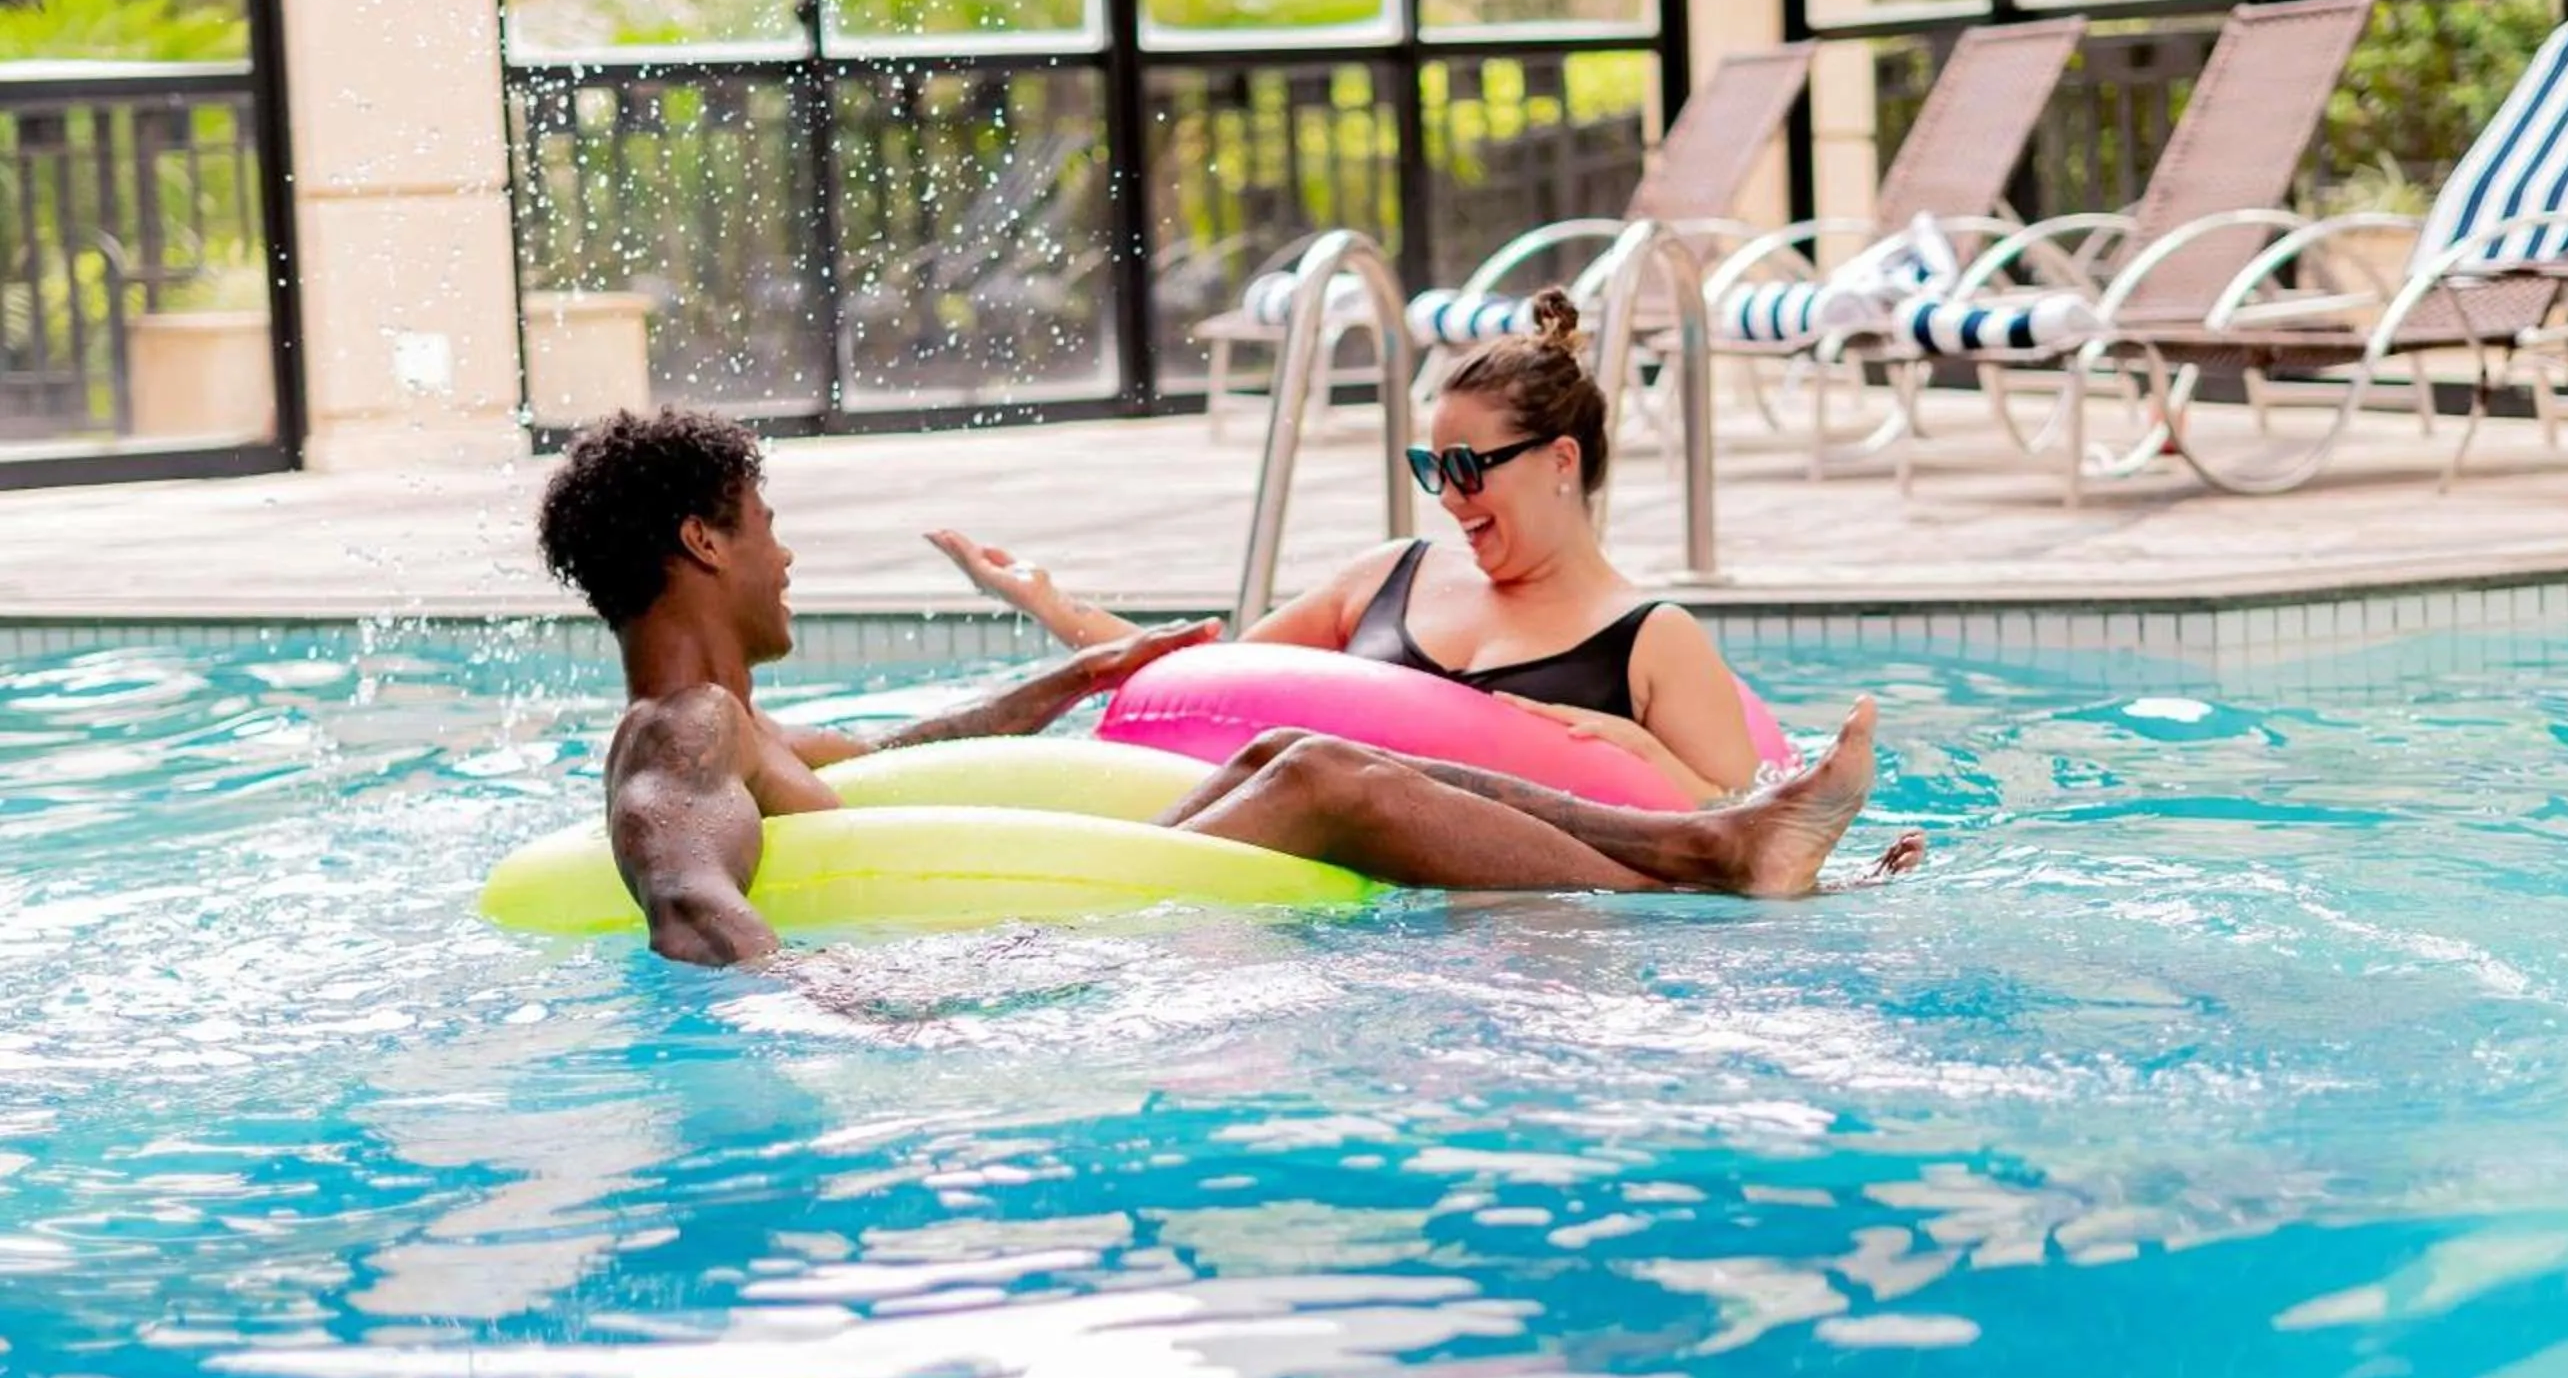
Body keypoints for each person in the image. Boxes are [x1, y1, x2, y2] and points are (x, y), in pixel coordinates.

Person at [539, 406, 1917, 969]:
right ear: (703, 543)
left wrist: (1061, 682)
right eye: (762, 522)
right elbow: (687, 892)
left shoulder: (732, 724)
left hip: (1008, 908)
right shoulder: (678, 731)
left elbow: (898, 757)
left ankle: (1713, 844)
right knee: (1316, 774)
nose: (785, 553)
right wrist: (867, 1023)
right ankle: (1710, 861)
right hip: (1002, 944)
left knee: (1293, 746)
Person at [930, 289, 1760, 806]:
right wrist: (1050, 602)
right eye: (1433, 466)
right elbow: (1210, 691)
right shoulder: (1387, 578)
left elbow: (1747, 835)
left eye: (1470, 466)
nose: (1448, 494)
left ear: (1561, 462)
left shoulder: (1652, 642)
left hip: (1534, 924)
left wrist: (1644, 752)